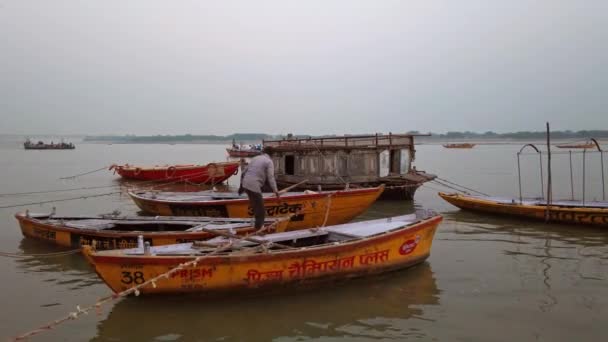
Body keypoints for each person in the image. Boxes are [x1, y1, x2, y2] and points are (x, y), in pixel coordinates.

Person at [239, 149, 280, 230]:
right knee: (261, 211)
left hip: (245, 184)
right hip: (253, 186)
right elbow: (271, 178)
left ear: (263, 152)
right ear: (272, 155)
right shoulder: (269, 162)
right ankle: (258, 230)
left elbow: (244, 172)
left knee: (256, 207)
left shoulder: (255, 158)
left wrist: (241, 187)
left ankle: (256, 225)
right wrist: (276, 191)